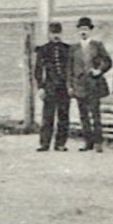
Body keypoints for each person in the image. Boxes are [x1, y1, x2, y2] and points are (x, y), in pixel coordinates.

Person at [68, 17, 112, 151]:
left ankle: (98, 142)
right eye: (81, 29)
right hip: (79, 84)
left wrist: (99, 70)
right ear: (77, 31)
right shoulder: (73, 48)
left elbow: (108, 61)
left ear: (90, 31)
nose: (83, 32)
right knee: (83, 115)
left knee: (95, 114)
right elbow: (69, 69)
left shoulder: (97, 45)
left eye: (86, 29)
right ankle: (88, 142)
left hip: (94, 84)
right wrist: (70, 86)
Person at [33, 21, 73, 152]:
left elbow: (71, 69)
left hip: (64, 88)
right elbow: (38, 70)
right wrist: (40, 87)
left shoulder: (67, 49)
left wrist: (70, 85)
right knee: (47, 116)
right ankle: (44, 143)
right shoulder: (43, 49)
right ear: (49, 34)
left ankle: (60, 143)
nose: (56, 36)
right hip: (49, 87)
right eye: (53, 33)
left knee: (63, 116)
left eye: (58, 33)